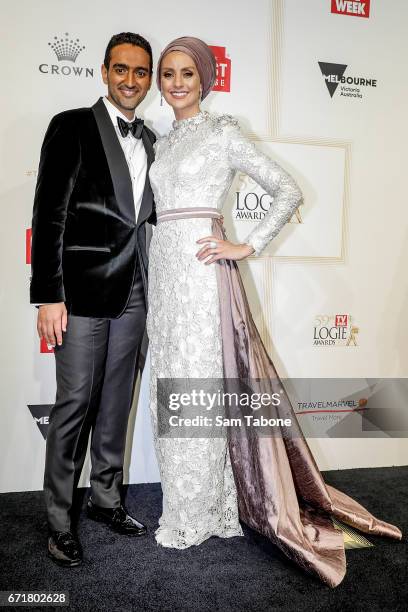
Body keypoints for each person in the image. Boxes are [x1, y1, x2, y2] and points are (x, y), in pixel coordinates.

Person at [146, 36, 402, 587]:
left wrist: (246, 244)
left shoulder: (222, 133)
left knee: (202, 381)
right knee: (173, 380)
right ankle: (192, 502)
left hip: (200, 274)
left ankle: (200, 512)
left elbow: (285, 189)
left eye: (187, 73)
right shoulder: (163, 143)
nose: (176, 83)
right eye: (168, 73)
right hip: (165, 277)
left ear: (205, 78)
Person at [30, 32, 156, 567]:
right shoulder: (72, 126)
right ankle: (59, 521)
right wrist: (48, 298)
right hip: (79, 295)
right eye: (121, 69)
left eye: (141, 72)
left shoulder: (152, 139)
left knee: (115, 405)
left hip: (135, 293)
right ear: (104, 72)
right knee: (74, 406)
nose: (131, 80)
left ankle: (105, 499)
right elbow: (49, 213)